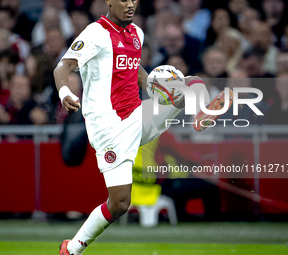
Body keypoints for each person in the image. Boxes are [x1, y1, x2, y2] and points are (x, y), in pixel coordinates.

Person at [54, 1, 229, 255]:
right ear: (109, 1)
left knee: (190, 82)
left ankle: (200, 114)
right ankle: (72, 248)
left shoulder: (137, 33)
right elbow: (63, 65)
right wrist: (64, 91)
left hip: (138, 114)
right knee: (120, 203)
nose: (130, 4)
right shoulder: (95, 33)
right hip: (109, 127)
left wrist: (154, 86)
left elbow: (134, 70)